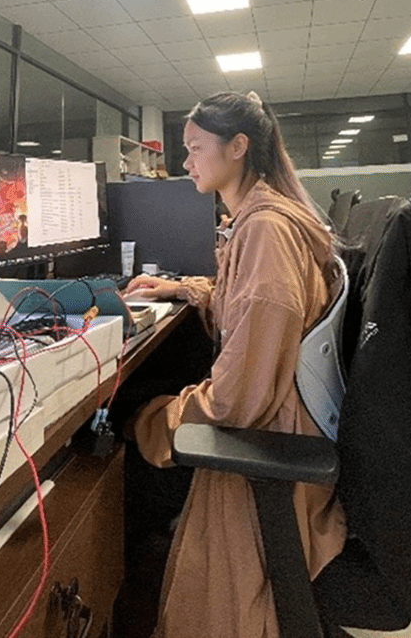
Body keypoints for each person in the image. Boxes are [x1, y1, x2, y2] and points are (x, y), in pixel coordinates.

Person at [123, 90, 347, 638]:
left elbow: (236, 402)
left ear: (238, 146)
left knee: (126, 420)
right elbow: (245, 302)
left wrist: (151, 423)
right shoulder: (262, 218)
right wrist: (181, 288)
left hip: (270, 442)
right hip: (285, 419)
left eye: (195, 148)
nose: (186, 162)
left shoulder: (266, 231)